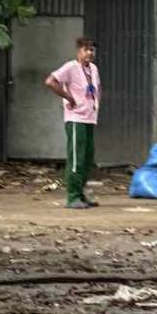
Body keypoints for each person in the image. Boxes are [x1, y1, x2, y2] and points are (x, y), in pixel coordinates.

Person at [45, 37, 101, 209]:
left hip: (90, 117)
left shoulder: (93, 68)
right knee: (76, 158)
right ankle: (73, 196)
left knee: (87, 158)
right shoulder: (71, 67)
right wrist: (68, 97)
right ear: (79, 51)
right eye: (86, 50)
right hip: (76, 118)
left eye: (92, 50)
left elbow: (97, 88)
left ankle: (81, 192)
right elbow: (50, 81)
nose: (89, 53)